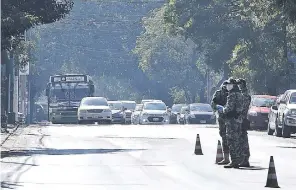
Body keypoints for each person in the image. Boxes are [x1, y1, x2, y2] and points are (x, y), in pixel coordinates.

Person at [218, 78, 244, 168]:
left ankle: (234, 161)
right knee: (237, 140)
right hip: (238, 120)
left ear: (233, 85)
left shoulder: (232, 95)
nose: (228, 86)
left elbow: (229, 108)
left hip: (231, 120)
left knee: (231, 140)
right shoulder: (240, 94)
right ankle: (238, 159)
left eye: (229, 84)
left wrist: (222, 110)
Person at [211, 81, 230, 165]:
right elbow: (213, 103)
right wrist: (217, 108)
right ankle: (226, 157)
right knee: (223, 136)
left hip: (231, 118)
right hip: (222, 118)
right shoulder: (218, 93)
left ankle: (235, 158)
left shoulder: (233, 94)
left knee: (233, 137)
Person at [236, 78, 251, 167]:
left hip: (241, 119)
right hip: (239, 119)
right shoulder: (241, 94)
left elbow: (242, 108)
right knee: (240, 139)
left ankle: (245, 159)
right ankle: (242, 158)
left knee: (242, 139)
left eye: (239, 84)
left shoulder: (244, 95)